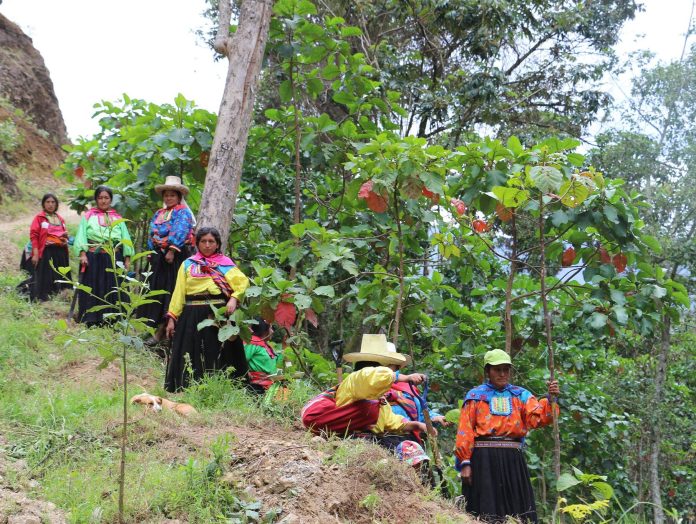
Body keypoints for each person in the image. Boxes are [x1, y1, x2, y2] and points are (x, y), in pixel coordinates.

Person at [454, 349, 560, 524]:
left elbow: (539, 418)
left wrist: (551, 399)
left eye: (506, 369)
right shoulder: (475, 396)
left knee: (517, 510)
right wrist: (465, 462)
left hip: (512, 459)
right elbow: (465, 430)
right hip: (483, 459)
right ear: (487, 371)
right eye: (497, 370)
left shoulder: (521, 395)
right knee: (485, 508)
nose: (502, 374)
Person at [164, 227, 250, 392]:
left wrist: (234, 298)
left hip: (217, 312)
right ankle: (186, 387)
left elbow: (242, 283)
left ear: (217, 244)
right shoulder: (187, 264)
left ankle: (220, 388)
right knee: (190, 350)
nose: (207, 245)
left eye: (211, 241)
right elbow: (179, 292)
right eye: (203, 241)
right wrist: (172, 317)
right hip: (190, 313)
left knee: (216, 349)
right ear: (197, 243)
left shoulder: (225, 264)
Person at [301, 334, 431, 441]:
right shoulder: (356, 379)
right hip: (317, 418)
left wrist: (418, 425)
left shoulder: (379, 400)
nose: (394, 371)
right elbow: (370, 377)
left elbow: (391, 421)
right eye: (393, 367)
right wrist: (403, 377)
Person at [140, 176, 195, 345]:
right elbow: (153, 232)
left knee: (170, 290)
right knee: (156, 289)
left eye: (172, 195)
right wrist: (151, 250)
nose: (169, 198)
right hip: (158, 257)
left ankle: (164, 331)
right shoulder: (159, 213)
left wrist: (171, 249)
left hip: (174, 258)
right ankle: (152, 327)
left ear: (179, 197)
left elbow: (180, 230)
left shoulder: (182, 213)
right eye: (166, 195)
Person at [73, 186, 133, 326]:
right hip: (93, 256)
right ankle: (92, 318)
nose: (103, 201)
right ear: (96, 199)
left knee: (113, 286)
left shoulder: (117, 218)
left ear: (111, 200)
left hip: (113, 257)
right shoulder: (88, 216)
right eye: (100, 198)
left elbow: (126, 238)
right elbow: (81, 235)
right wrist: (83, 254)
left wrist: (127, 258)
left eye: (106, 198)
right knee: (94, 285)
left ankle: (114, 319)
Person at [28, 193, 71, 301]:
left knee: (60, 274)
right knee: (46, 275)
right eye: (48, 202)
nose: (50, 204)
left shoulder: (60, 219)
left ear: (56, 204)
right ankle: (44, 298)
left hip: (60, 251)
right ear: (43, 204)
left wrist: (65, 238)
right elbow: (34, 236)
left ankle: (61, 296)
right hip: (47, 251)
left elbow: (64, 235)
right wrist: (36, 253)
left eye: (53, 202)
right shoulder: (39, 218)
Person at [243, 318, 283, 394]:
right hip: (256, 386)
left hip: (269, 384)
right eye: (271, 328)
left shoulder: (266, 345)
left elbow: (276, 364)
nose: (272, 331)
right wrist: (245, 372)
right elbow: (241, 359)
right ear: (264, 329)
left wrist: (285, 347)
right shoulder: (253, 341)